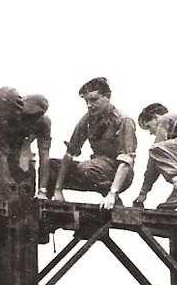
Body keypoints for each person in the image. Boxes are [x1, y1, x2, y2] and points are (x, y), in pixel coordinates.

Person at [50, 77, 137, 209]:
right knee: (52, 165)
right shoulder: (88, 119)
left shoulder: (123, 120)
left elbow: (126, 161)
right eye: (86, 101)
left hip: (119, 174)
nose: (89, 105)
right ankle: (57, 209)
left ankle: (114, 201)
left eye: (94, 100)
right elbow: (70, 152)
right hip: (95, 168)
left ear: (107, 97)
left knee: (86, 168)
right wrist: (58, 189)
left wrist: (112, 193)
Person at [0, 92, 52, 199]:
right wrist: (8, 183)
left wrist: (43, 190)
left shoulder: (44, 123)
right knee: (7, 194)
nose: (29, 122)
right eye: (26, 117)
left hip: (20, 155)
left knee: (27, 192)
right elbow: (1, 154)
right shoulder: (9, 118)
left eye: (34, 118)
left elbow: (44, 156)